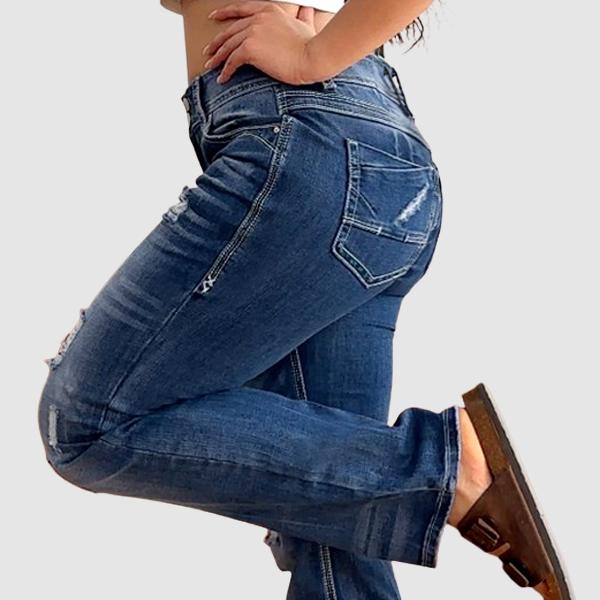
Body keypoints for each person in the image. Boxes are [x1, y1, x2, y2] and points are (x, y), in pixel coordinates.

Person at [36, 1, 572, 598]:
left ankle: (442, 472)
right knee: (334, 543)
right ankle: (439, 476)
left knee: (86, 423)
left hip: (305, 142)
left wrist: (312, 56)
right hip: (355, 152)